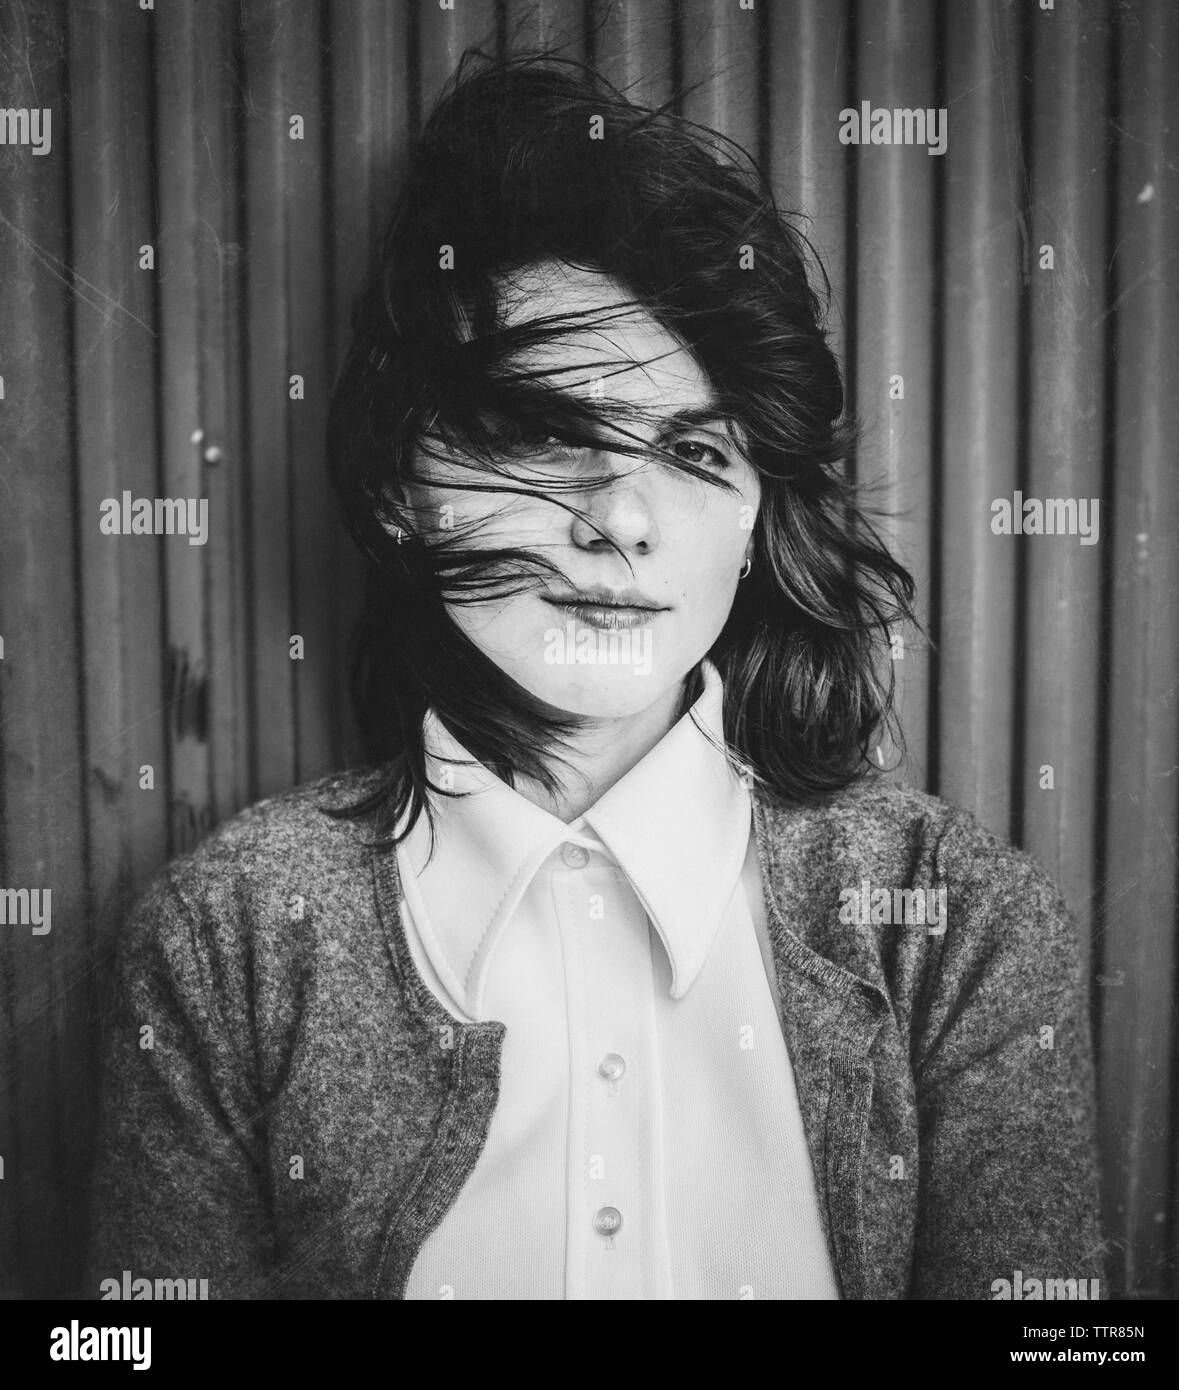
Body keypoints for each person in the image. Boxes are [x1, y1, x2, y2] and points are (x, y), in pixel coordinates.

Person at [89, 52, 1106, 1300]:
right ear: (401, 485)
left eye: (690, 448)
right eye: (536, 430)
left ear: (756, 518)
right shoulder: (227, 941)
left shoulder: (959, 930)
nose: (621, 518)